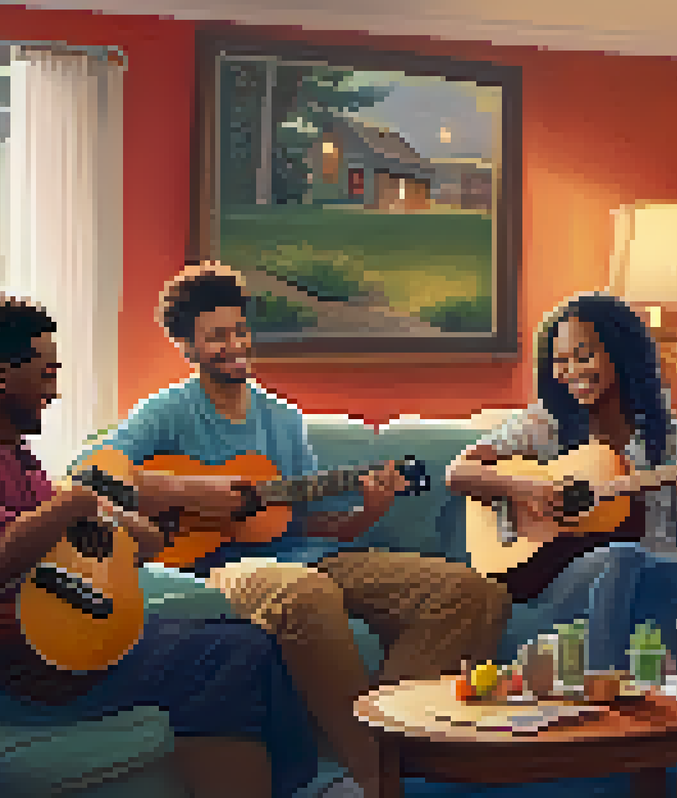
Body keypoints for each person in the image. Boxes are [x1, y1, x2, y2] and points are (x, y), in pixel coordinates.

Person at [80, 263, 511, 796]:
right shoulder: (167, 412)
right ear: (188, 347)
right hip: (214, 567)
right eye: (216, 336)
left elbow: (303, 518)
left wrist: (366, 515)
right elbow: (92, 473)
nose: (235, 344)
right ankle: (378, 778)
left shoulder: (281, 418)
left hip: (303, 553)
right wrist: (195, 492)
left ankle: (374, 745)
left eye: (239, 330)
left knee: (474, 594)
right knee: (307, 593)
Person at [0, 296, 315, 798]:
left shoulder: (17, 461)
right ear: (0, 378)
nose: (54, 391)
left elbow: (132, 540)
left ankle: (303, 785)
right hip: (25, 662)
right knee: (232, 654)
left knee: (240, 637)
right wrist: (75, 504)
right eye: (45, 374)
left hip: (64, 633)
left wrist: (117, 520)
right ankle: (311, 787)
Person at [446, 292, 677, 672]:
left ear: (621, 353)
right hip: (565, 573)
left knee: (664, 573)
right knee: (625, 557)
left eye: (584, 355)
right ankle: (603, 691)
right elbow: (459, 473)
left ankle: (663, 711)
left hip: (660, 569)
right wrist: (532, 489)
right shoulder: (545, 425)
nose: (572, 370)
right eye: (561, 360)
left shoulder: (666, 437)